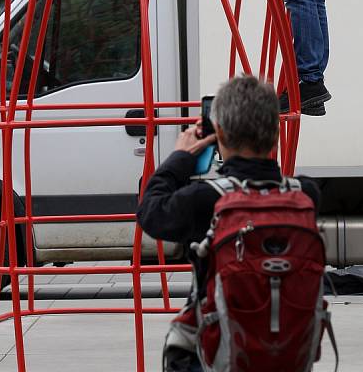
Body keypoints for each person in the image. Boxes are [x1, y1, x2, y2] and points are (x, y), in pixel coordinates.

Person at [136, 75, 320, 372]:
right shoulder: (307, 193)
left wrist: (181, 156)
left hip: (219, 351)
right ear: (275, 133)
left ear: (218, 133)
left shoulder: (204, 199)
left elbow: (150, 213)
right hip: (289, 352)